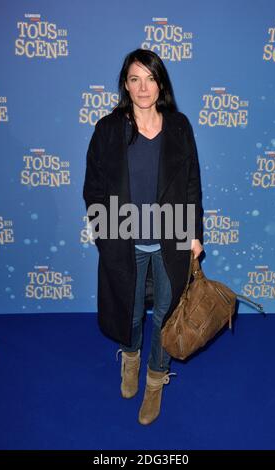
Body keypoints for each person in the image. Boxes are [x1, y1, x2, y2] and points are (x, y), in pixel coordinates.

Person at [83, 48, 204, 425]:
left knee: (166, 317)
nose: (143, 87)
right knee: (130, 314)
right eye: (135, 79)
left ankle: (155, 380)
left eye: (150, 78)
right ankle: (131, 360)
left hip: (171, 239)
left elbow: (191, 187)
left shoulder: (180, 126)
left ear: (161, 83)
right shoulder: (107, 129)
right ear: (125, 84)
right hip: (125, 242)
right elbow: (94, 189)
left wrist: (194, 235)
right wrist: (106, 236)